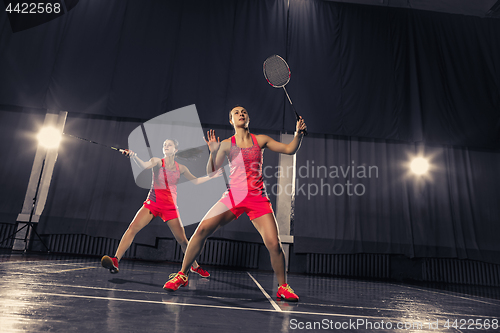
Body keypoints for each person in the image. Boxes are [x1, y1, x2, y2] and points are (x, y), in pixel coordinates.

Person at [163, 106, 307, 302]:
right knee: (202, 229)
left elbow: (290, 149)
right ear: (231, 120)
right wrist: (213, 152)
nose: (241, 114)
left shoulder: (260, 140)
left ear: (248, 118)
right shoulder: (225, 144)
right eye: (236, 112)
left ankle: (283, 287)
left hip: (257, 197)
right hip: (234, 196)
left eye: (244, 112)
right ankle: (182, 274)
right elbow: (212, 171)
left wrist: (298, 134)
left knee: (274, 244)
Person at [101, 139, 217, 278]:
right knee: (132, 228)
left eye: (169, 145)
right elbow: (144, 165)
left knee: (183, 241)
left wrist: (211, 176)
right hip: (153, 202)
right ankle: (116, 260)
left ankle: (195, 266)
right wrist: (134, 156)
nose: (166, 146)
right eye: (164, 145)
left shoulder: (181, 168)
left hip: (170, 207)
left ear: (175, 150)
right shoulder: (157, 161)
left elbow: (196, 181)